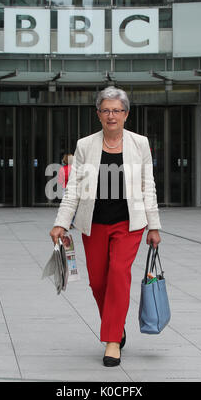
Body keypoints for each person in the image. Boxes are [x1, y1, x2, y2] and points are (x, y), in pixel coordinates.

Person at [50, 86, 161, 367]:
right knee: (98, 281)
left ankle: (112, 341)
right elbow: (74, 188)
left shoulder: (140, 143)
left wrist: (154, 226)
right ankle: (116, 326)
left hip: (129, 223)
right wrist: (61, 222)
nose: (111, 115)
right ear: (98, 114)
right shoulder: (85, 145)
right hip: (95, 223)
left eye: (117, 110)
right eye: (106, 110)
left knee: (119, 275)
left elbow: (148, 187)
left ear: (126, 114)